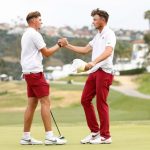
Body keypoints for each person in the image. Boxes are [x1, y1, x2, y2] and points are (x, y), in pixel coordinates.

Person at [59, 8, 116, 144]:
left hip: (104, 71)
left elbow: (108, 52)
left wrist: (93, 62)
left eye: (95, 19)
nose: (93, 22)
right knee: (85, 100)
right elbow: (85, 50)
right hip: (94, 71)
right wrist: (67, 46)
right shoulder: (97, 36)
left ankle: (106, 136)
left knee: (101, 103)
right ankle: (95, 132)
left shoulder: (109, 34)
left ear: (103, 20)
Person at [20, 11, 67, 145]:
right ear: (33, 20)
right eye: (39, 19)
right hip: (35, 73)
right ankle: (49, 137)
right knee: (45, 102)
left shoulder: (26, 34)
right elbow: (46, 53)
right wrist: (60, 44)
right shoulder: (34, 34)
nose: (41, 21)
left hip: (28, 72)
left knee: (32, 104)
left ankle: (26, 137)